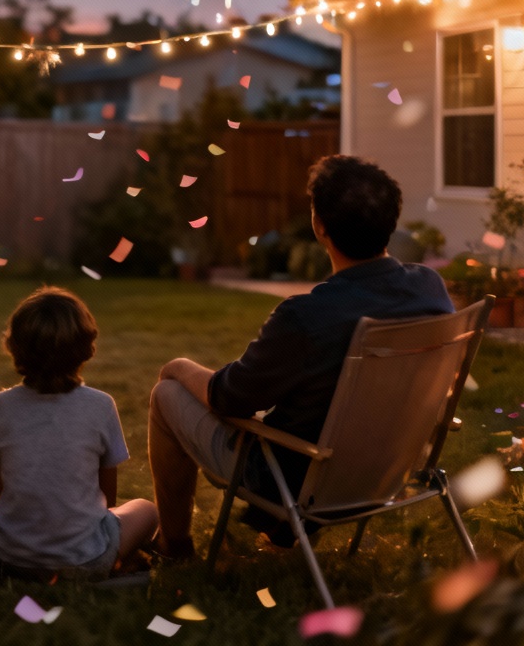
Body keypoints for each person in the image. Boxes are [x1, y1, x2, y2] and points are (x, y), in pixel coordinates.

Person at [148, 154, 455, 559]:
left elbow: (230, 399)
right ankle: (279, 535)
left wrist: (179, 367)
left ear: (320, 226)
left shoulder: (306, 316)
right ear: (390, 221)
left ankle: (174, 545)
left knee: (167, 395)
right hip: (388, 469)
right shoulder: (429, 288)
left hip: (299, 480)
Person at [0, 287, 158, 578]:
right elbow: (107, 496)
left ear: (15, 346)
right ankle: (118, 558)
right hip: (87, 558)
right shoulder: (101, 405)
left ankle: (13, 551)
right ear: (86, 346)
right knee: (146, 509)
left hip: (9, 556)